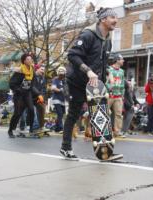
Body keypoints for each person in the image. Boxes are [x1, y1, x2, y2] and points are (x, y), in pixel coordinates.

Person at [60, 7, 118, 160]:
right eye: (112, 17)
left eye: (116, 17)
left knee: (101, 115)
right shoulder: (88, 35)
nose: (115, 20)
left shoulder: (107, 41)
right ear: (103, 19)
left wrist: (106, 75)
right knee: (74, 114)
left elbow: (102, 62)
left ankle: (105, 150)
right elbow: (72, 55)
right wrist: (88, 71)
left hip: (94, 85)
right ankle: (66, 148)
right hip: (77, 82)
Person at [8, 53, 43, 138]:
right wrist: (18, 90)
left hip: (27, 93)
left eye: (31, 59)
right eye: (28, 59)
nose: (30, 60)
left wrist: (38, 94)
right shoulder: (20, 70)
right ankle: (10, 130)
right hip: (19, 94)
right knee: (17, 113)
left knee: (31, 109)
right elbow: (11, 83)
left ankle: (31, 128)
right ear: (24, 61)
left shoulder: (32, 71)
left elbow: (32, 85)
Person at [106, 53, 125, 137]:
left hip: (118, 96)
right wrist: (110, 87)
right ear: (117, 60)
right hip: (109, 95)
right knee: (105, 113)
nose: (123, 61)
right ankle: (104, 130)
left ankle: (117, 131)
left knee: (119, 114)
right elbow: (105, 82)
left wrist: (122, 93)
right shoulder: (109, 69)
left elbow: (123, 82)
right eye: (122, 59)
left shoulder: (122, 71)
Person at [51, 66, 67, 133]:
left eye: (62, 74)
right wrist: (61, 90)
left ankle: (56, 128)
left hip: (63, 99)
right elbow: (53, 88)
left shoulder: (65, 80)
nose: (61, 75)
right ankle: (60, 128)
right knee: (60, 113)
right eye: (60, 74)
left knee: (61, 114)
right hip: (56, 99)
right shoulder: (55, 79)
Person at [33, 64, 48, 133]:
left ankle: (41, 127)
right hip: (31, 97)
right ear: (37, 69)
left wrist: (42, 97)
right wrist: (38, 95)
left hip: (39, 98)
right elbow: (32, 87)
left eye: (44, 70)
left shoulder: (43, 78)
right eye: (42, 69)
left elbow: (44, 89)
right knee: (33, 111)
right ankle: (34, 127)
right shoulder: (32, 76)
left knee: (42, 109)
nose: (43, 71)